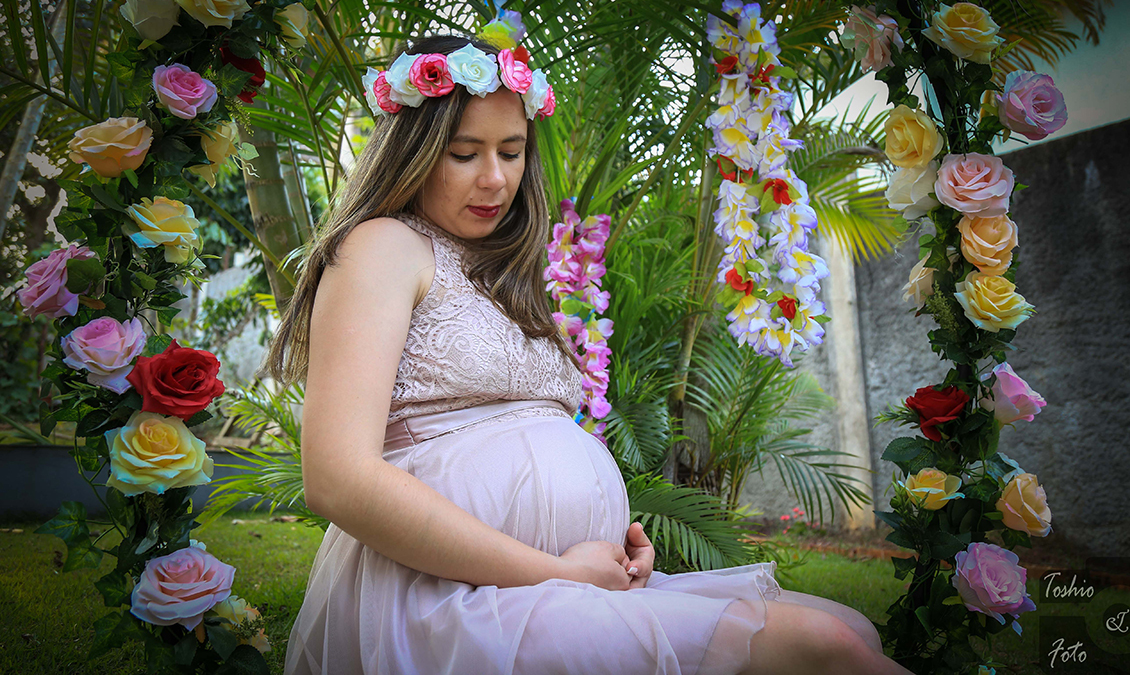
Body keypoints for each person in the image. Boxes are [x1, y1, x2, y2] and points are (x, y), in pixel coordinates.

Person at [263, 35, 914, 675]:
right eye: (465, 153)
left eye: (512, 151)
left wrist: (608, 544)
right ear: (413, 153)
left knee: (849, 632)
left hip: (552, 587)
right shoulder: (384, 246)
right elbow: (337, 479)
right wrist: (560, 570)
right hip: (447, 602)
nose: (495, 178)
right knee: (824, 647)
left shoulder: (507, 271)